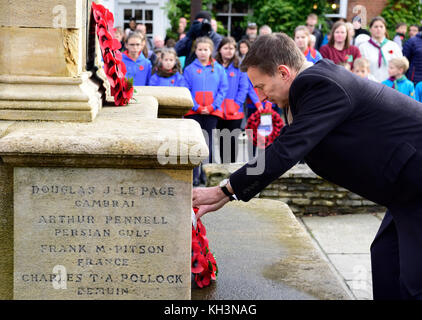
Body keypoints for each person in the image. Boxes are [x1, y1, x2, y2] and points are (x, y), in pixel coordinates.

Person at [192, 32, 422, 300]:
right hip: (404, 190)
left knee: (413, 282)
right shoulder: (309, 88)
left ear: (283, 72)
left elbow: (285, 150)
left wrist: (225, 190)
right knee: (386, 261)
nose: (261, 97)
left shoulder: (319, 84)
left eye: (261, 86)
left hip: (416, 182)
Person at [183, 37, 229, 185]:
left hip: (211, 112)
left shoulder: (219, 69)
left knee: (207, 143)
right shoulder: (189, 69)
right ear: (195, 51)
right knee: (195, 143)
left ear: (211, 51)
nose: (203, 52)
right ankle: (195, 174)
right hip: (194, 112)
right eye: (200, 49)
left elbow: (223, 89)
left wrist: (212, 106)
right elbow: (186, 89)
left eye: (206, 49)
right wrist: (195, 106)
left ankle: (206, 173)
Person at [215, 37, 249, 164]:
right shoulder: (215, 65)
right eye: (226, 48)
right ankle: (223, 167)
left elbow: (244, 87)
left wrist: (236, 104)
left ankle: (232, 169)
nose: (229, 51)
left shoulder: (239, 66)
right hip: (218, 109)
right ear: (219, 50)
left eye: (232, 48)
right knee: (222, 140)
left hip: (234, 110)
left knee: (233, 141)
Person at [359, 16, 403, 82]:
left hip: (390, 84)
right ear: (370, 29)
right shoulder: (363, 47)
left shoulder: (393, 46)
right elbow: (360, 68)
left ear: (385, 29)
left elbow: (400, 65)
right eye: (376, 27)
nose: (378, 29)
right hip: (370, 84)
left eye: (381, 26)